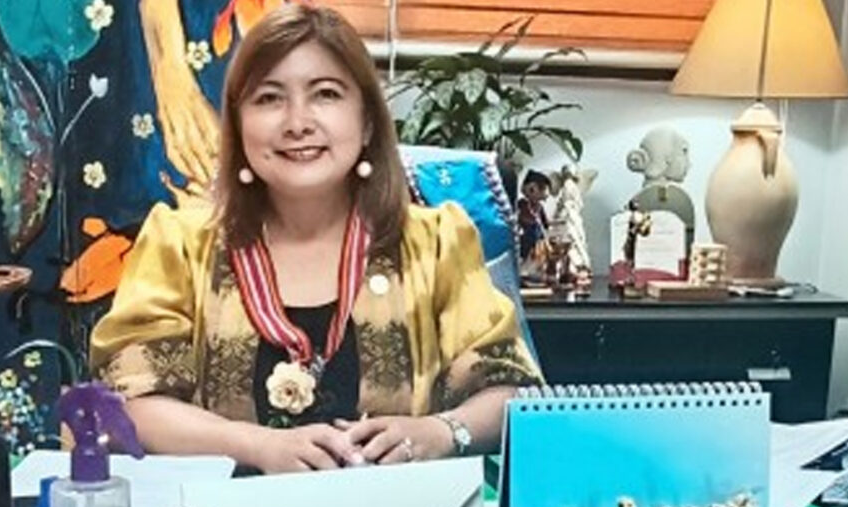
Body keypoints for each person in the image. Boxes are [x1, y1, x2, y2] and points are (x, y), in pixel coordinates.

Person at [90, 4, 542, 474]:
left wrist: (442, 432)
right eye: (269, 98)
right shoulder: (181, 244)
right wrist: (258, 446)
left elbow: (508, 390)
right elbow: (131, 402)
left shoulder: (437, 243)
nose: (297, 122)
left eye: (325, 94)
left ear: (367, 121)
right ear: (238, 125)